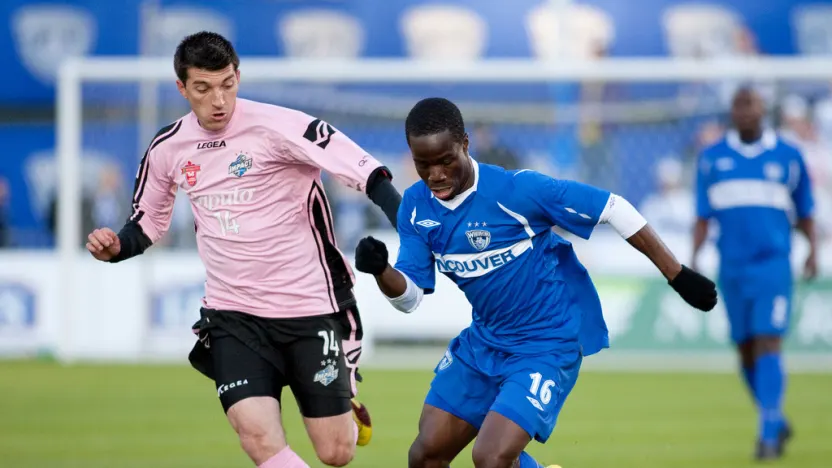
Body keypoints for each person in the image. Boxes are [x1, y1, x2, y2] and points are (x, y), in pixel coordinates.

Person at [84, 31, 401, 468]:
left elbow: (360, 167)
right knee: (256, 436)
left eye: (227, 84)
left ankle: (347, 407)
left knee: (336, 452)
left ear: (238, 77)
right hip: (234, 315)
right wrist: (117, 247)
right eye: (203, 88)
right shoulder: (168, 147)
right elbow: (148, 221)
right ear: (182, 88)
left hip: (310, 306)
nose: (219, 100)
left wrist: (403, 217)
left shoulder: (279, 125)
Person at [353, 97, 718, 468]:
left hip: (546, 344)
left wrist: (677, 274)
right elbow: (410, 297)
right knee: (425, 455)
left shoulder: (516, 191)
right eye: (423, 164)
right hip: (484, 342)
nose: (436, 175)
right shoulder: (416, 207)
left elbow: (613, 207)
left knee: (491, 457)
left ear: (465, 144)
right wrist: (382, 270)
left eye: (445, 160)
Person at [692, 87, 817, 460]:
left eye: (751, 104)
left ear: (763, 109)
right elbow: (702, 214)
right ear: (731, 111)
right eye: (738, 105)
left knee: (768, 341)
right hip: (731, 266)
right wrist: (693, 258)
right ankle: (775, 419)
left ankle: (767, 436)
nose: (745, 111)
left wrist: (813, 250)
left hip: (773, 265)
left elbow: (805, 209)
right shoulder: (711, 158)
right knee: (746, 351)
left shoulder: (788, 156)